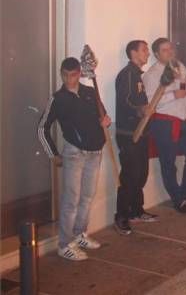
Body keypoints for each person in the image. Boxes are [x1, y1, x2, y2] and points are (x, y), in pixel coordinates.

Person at [38, 57, 112, 260]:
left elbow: (103, 117)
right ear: (61, 74)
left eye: (72, 75)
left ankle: (80, 234)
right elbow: (42, 128)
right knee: (71, 200)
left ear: (79, 73)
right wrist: (52, 153)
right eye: (64, 75)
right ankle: (64, 244)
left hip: (95, 152)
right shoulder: (58, 98)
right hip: (74, 153)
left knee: (87, 197)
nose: (68, 79)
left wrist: (105, 121)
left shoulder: (90, 92)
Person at [142, 38, 186, 213]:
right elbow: (151, 102)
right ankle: (177, 199)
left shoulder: (179, 66)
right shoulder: (152, 75)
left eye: (171, 49)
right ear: (156, 54)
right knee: (168, 162)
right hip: (164, 122)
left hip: (183, 120)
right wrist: (173, 95)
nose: (170, 52)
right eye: (165, 50)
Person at [114, 40, 158, 236]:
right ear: (133, 53)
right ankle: (121, 216)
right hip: (129, 134)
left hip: (142, 133)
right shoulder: (127, 75)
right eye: (144, 50)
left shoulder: (138, 76)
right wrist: (140, 110)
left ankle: (136, 211)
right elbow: (125, 102)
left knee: (141, 174)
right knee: (130, 176)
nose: (147, 53)